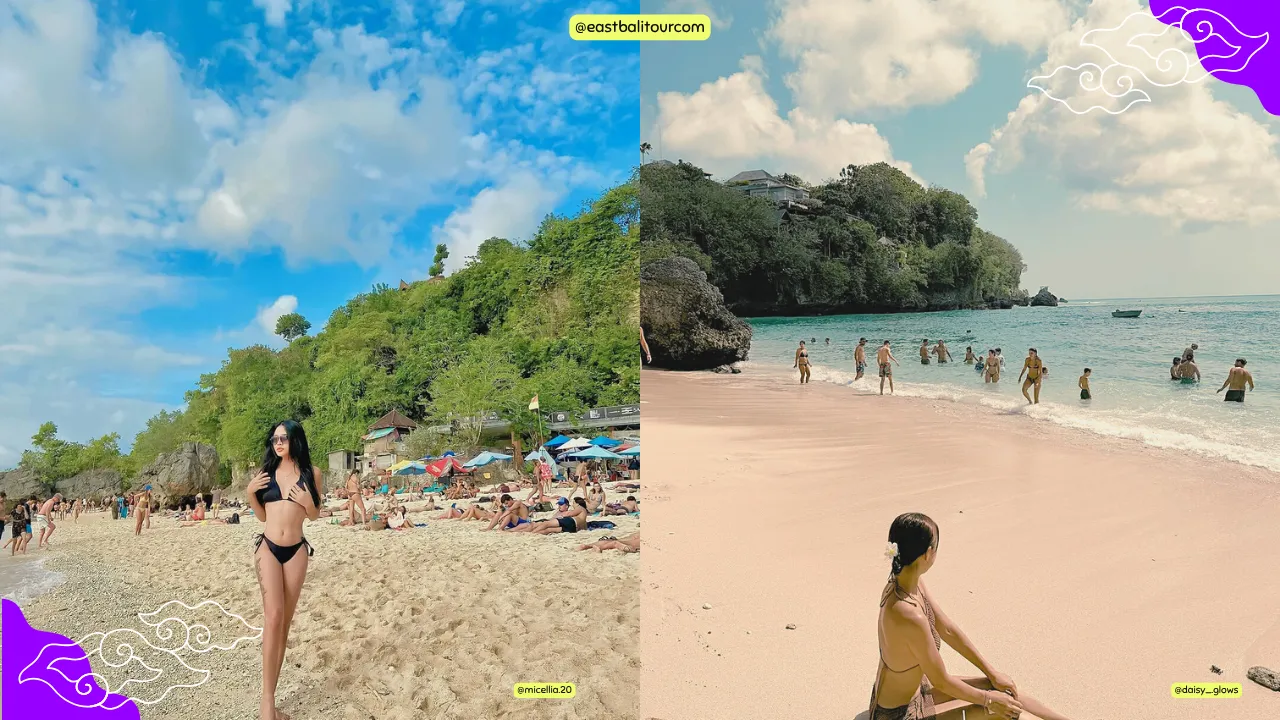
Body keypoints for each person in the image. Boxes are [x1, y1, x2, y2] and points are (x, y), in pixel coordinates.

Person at [870, 513, 1073, 720]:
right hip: (898, 715)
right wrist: (988, 700)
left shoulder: (908, 583)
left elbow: (947, 629)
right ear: (928, 554)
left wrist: (991, 672)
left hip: (917, 691)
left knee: (1003, 690)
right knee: (1000, 711)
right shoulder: (908, 614)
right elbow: (941, 680)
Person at [245, 420, 324, 720]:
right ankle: (267, 705)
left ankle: (272, 703)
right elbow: (261, 516)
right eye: (275, 438)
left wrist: (307, 501)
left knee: (284, 624)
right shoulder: (266, 474)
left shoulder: (311, 474)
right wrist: (250, 492)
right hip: (267, 547)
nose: (278, 443)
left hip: (297, 550)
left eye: (284, 438)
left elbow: (315, 516)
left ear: (295, 440)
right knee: (273, 617)